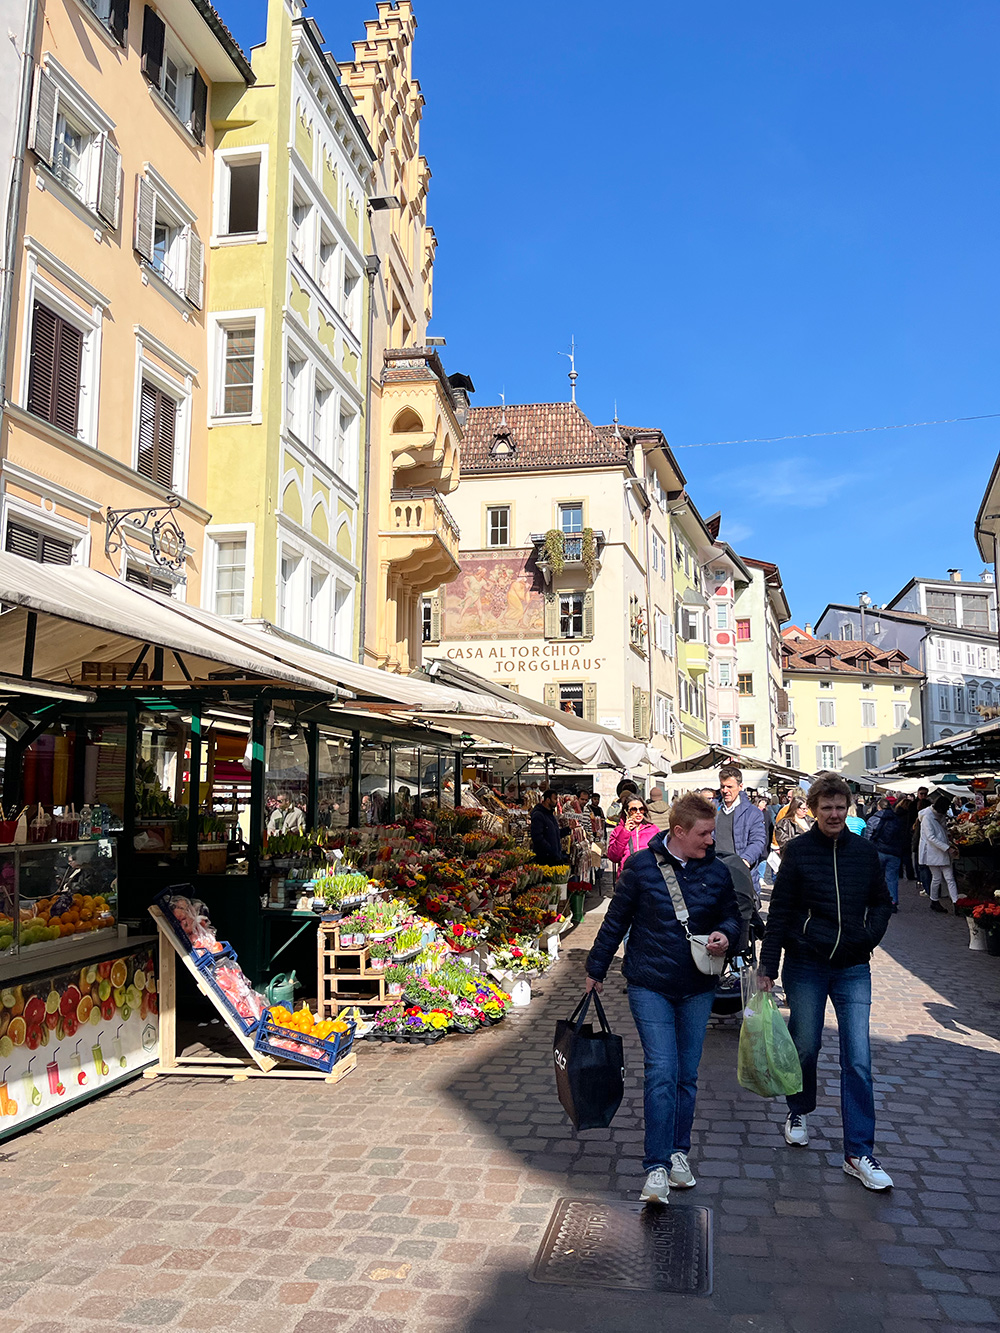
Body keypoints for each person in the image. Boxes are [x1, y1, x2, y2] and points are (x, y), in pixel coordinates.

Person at [584, 792, 741, 1204]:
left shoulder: (718, 871)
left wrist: (726, 934)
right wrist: (596, 969)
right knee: (662, 1070)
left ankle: (677, 1153)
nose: (711, 840)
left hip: (698, 987)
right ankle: (656, 1166)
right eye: (704, 833)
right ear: (679, 831)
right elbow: (616, 920)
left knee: (686, 1075)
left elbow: (733, 916)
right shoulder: (640, 867)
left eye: (712, 833)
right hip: (649, 983)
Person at [758, 773, 894, 1192]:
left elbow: (882, 903)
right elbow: (780, 912)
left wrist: (867, 937)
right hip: (806, 963)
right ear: (814, 810)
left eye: (840, 807)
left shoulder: (864, 852)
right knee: (806, 1044)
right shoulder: (798, 852)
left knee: (858, 1058)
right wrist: (768, 966)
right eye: (826, 807)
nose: (834, 814)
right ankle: (798, 1109)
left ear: (848, 808)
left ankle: (858, 1152)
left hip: (853, 966)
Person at [715, 766, 768, 870]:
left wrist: (745, 860)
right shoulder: (712, 809)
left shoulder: (753, 813)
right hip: (715, 869)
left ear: (740, 786)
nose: (725, 790)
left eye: (729, 787)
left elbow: (758, 840)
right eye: (722, 786)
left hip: (740, 870)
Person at [865, 798, 906, 910]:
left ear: (878, 807)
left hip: (879, 851)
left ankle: (876, 900)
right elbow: (902, 836)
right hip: (894, 852)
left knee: (876, 877)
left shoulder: (873, 819)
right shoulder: (897, 819)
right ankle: (893, 901)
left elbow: (868, 837)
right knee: (892, 878)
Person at [919, 794, 958, 912]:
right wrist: (947, 847)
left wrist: (948, 837)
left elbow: (941, 831)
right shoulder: (928, 817)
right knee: (943, 878)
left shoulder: (935, 815)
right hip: (934, 851)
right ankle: (951, 902)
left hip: (937, 851)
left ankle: (946, 901)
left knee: (941, 878)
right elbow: (931, 837)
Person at [608, 797, 658, 865]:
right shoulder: (618, 831)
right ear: (626, 812)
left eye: (641, 809)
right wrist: (625, 832)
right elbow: (613, 857)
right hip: (627, 870)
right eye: (634, 810)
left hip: (648, 870)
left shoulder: (653, 829)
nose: (638, 812)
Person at [774, 790, 812, 858]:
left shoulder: (811, 820)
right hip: (795, 857)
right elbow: (784, 843)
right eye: (803, 809)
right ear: (795, 808)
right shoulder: (784, 823)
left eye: (807, 808)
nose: (806, 811)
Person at [530, 789, 563, 862]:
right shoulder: (538, 815)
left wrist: (569, 829)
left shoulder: (550, 815)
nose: (557, 802)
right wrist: (550, 850)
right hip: (545, 859)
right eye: (555, 799)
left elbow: (555, 833)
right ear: (548, 800)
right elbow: (537, 837)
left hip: (554, 857)